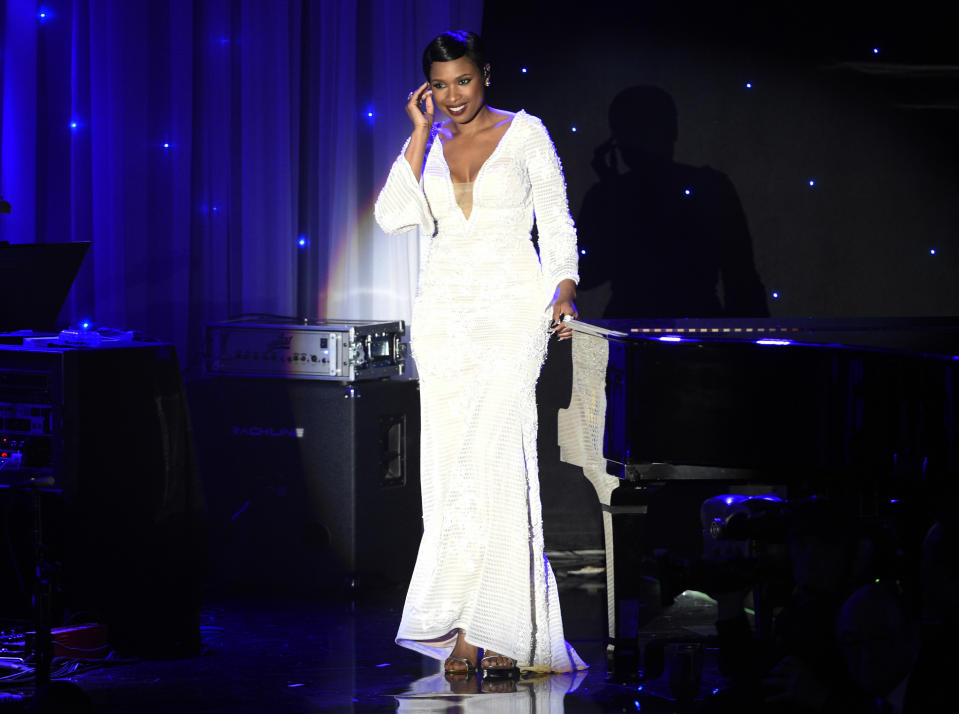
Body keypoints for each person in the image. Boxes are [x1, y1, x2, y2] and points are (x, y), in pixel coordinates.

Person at [373, 30, 586, 676]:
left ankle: (503, 626)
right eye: (438, 85)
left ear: (484, 75)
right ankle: (462, 625)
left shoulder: (524, 133)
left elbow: (555, 219)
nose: (452, 96)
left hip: (509, 312)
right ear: (425, 90)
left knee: (498, 457)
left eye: (461, 81)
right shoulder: (428, 146)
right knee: (450, 470)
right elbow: (390, 216)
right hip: (443, 318)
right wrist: (416, 132)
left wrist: (565, 289)